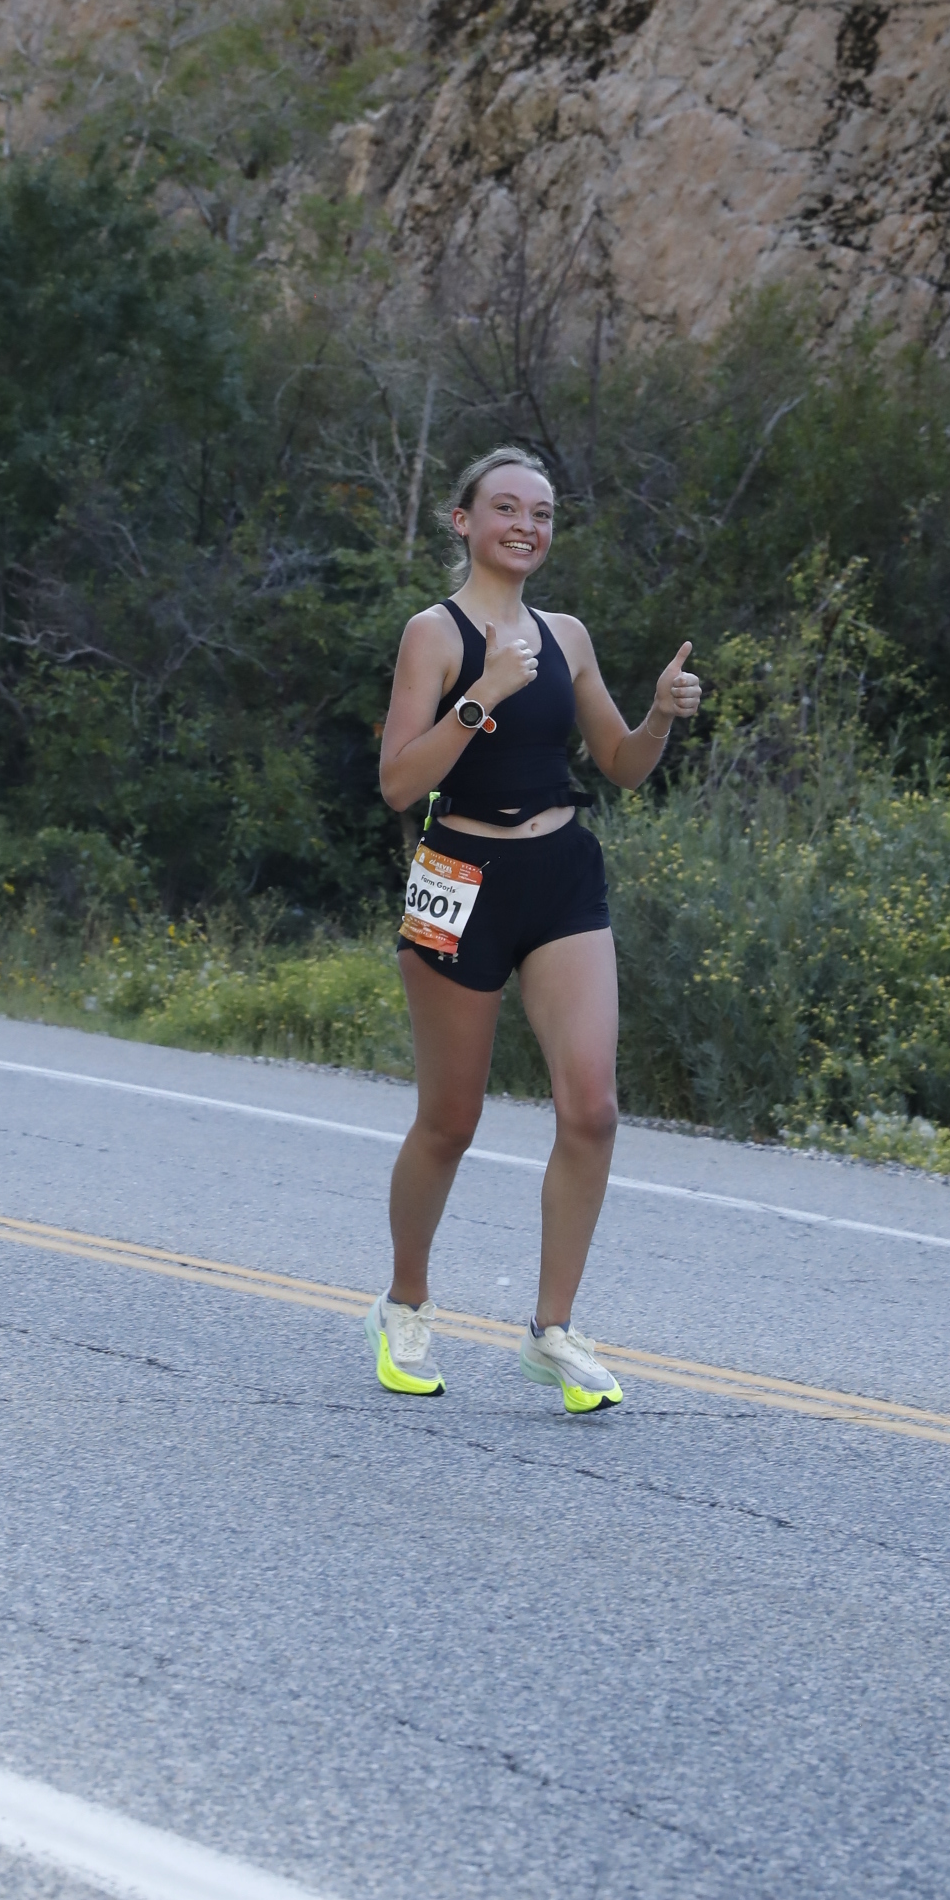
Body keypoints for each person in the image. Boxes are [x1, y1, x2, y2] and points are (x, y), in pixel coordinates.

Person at [365, 445, 702, 1413]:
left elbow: (620, 764)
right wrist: (483, 697)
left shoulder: (567, 637)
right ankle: (403, 1305)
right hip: (460, 877)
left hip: (559, 874)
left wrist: (658, 716)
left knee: (591, 1108)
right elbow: (398, 784)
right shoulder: (433, 634)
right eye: (506, 508)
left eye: (542, 513)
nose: (526, 525)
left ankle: (552, 1331)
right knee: (450, 1120)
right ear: (463, 521)